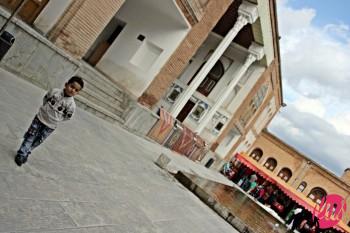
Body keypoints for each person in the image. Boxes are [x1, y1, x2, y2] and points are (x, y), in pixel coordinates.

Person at [14, 76, 84, 166]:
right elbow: (46, 98)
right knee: (31, 136)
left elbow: (67, 117)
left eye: (76, 90)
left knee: (38, 140)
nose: (72, 90)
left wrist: (57, 119)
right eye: (72, 86)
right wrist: (45, 110)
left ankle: (27, 151)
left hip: (50, 126)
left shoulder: (71, 105)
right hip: (39, 118)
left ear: (77, 93)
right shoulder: (55, 92)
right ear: (66, 84)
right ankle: (21, 154)